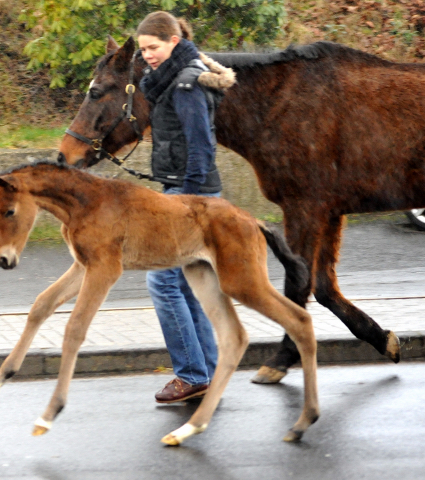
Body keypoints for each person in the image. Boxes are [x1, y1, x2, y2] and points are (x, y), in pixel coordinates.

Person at [136, 11, 235, 403]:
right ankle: (206, 373)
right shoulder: (172, 81)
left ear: (173, 41)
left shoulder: (187, 85)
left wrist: (187, 203)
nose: (148, 56)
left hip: (190, 195)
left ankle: (192, 374)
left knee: (161, 281)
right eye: (143, 49)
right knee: (186, 285)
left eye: (154, 48)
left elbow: (202, 148)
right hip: (180, 190)